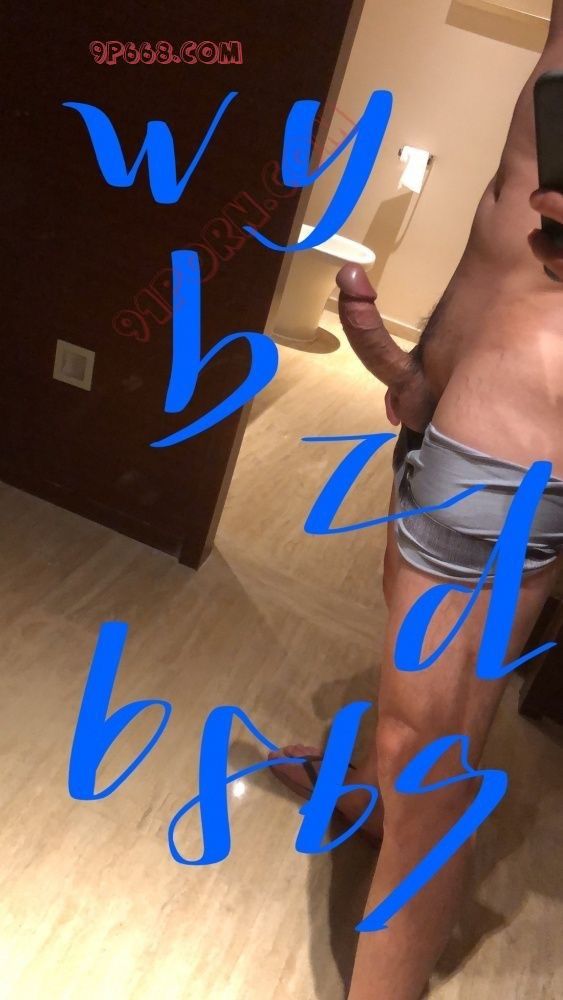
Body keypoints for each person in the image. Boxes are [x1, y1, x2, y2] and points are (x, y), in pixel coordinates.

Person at [268, 3, 563, 997]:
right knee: (404, 690)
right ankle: (368, 799)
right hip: (455, 399)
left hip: (517, 420)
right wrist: (424, 368)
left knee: (429, 763)